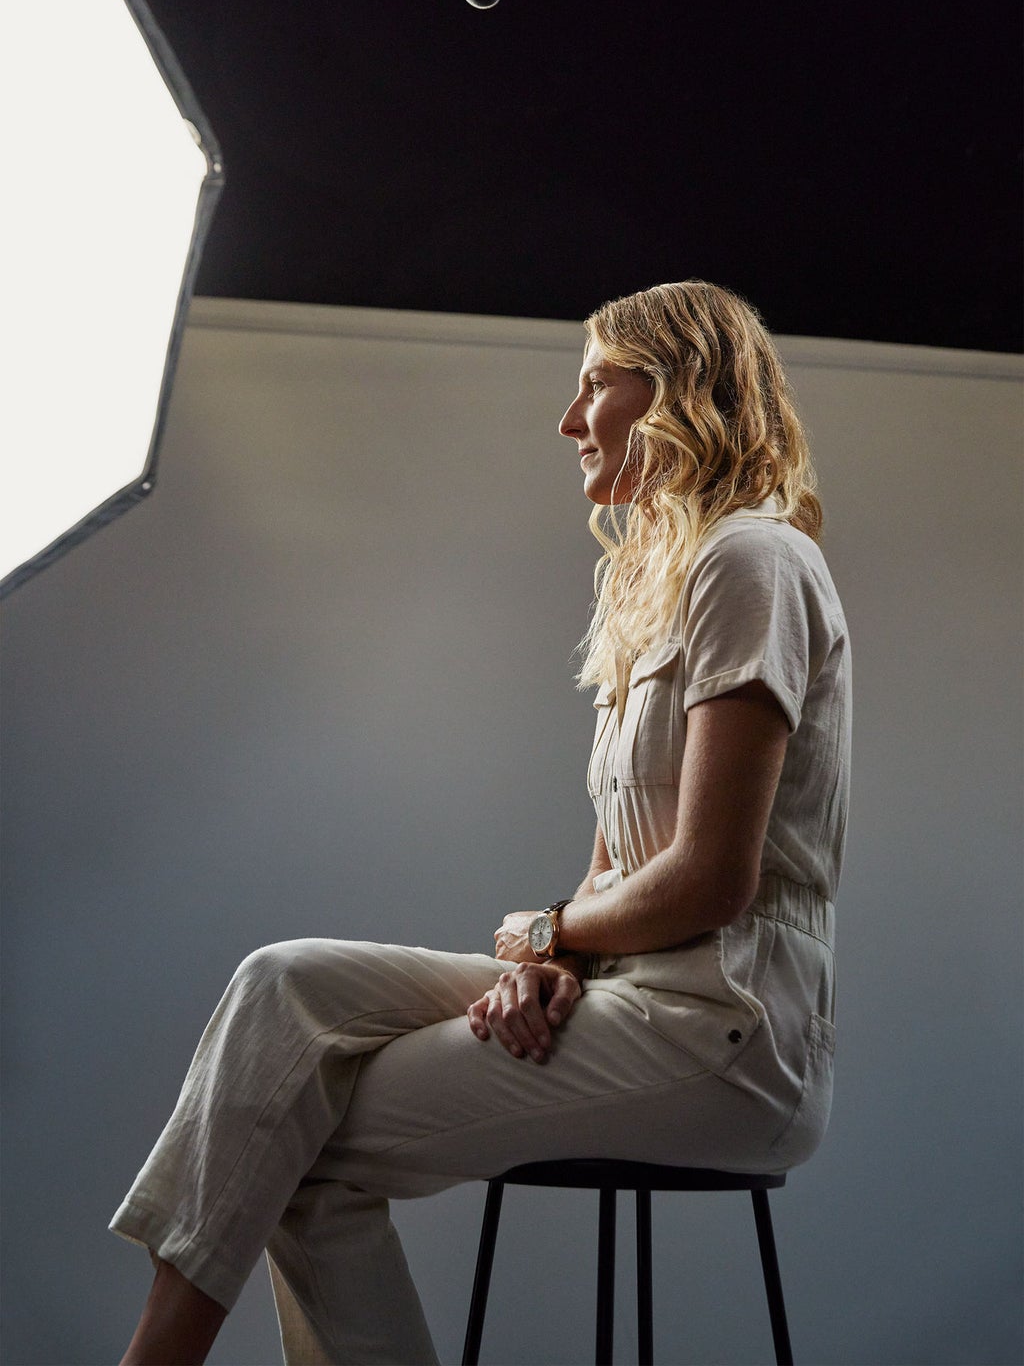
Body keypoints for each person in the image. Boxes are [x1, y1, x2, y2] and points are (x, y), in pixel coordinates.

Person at [113, 279, 851, 1366]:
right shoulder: (659, 587)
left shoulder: (752, 560)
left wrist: (548, 936)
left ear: (677, 391)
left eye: (596, 383)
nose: (568, 419)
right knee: (286, 984)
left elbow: (708, 880)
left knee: (277, 1128)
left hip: (725, 1035)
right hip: (635, 996)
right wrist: (563, 958)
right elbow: (616, 873)